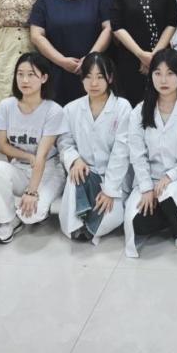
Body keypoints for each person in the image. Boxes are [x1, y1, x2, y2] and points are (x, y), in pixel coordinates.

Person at [124, 49, 177, 256]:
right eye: (158, 73)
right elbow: (137, 154)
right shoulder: (140, 111)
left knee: (171, 194)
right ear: (151, 75)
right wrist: (146, 187)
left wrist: (171, 176)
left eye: (170, 73)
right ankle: (168, 215)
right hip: (150, 178)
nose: (163, 80)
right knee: (137, 223)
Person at [0, 53, 67, 244]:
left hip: (48, 170)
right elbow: (2, 145)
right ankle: (8, 221)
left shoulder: (53, 110)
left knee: (31, 216)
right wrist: (27, 157)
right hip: (21, 167)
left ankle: (38, 206)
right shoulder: (6, 106)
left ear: (44, 78)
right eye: (20, 74)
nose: (24, 80)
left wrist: (31, 192)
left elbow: (42, 155)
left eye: (31, 74)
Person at [57, 52, 132, 242]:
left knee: (108, 220)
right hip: (85, 174)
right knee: (77, 174)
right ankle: (78, 224)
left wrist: (109, 190)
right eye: (88, 77)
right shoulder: (71, 109)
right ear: (82, 79)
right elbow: (64, 143)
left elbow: (121, 153)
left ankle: (88, 223)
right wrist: (75, 159)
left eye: (100, 77)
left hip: (113, 178)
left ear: (110, 78)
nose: (94, 83)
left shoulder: (122, 107)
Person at [30, 0, 110, 106]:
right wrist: (61, 61)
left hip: (93, 71)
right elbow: (36, 35)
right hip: (56, 71)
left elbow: (107, 28)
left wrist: (90, 59)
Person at [110, 0, 177, 105]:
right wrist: (141, 55)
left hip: (161, 56)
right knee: (132, 104)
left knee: (163, 102)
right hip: (130, 57)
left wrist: (154, 55)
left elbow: (172, 22)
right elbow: (117, 25)